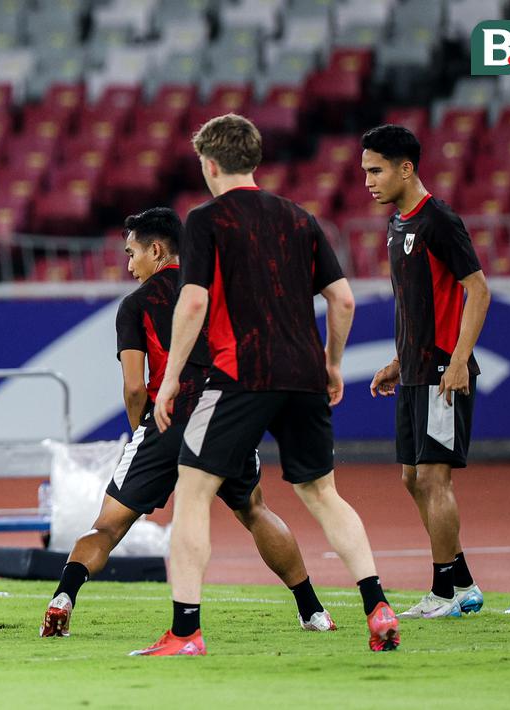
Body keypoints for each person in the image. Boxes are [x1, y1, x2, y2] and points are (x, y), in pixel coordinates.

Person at [136, 114, 400, 656]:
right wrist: (330, 364)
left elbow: (192, 302)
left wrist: (167, 385)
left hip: (240, 373)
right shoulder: (300, 218)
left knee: (192, 491)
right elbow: (343, 300)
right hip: (303, 373)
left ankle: (185, 632)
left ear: (209, 164)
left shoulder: (206, 219)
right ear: (253, 160)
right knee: (323, 494)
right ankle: (376, 604)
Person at [41, 208, 335, 638]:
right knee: (255, 510)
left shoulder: (135, 306)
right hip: (223, 417)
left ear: (156, 250)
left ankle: (63, 597)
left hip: (166, 419)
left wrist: (142, 430)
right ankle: (313, 611)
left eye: (132, 253)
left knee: (107, 526)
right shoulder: (216, 291)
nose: (128, 265)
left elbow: (134, 388)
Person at [361, 125, 490, 619]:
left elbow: (477, 290)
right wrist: (398, 360)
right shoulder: (398, 224)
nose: (368, 181)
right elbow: (415, 304)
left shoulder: (439, 220)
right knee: (413, 479)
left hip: (442, 370)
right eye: (365, 171)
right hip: (415, 369)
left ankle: (444, 595)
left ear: (406, 168)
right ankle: (464, 584)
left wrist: (457, 361)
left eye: (376, 170)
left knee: (435, 480)